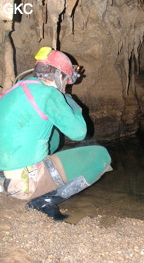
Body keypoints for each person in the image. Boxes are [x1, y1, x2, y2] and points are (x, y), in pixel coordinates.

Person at [0, 47, 112, 221]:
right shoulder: (49, 94)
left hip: (5, 175)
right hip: (23, 182)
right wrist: (71, 101)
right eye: (66, 80)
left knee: (55, 138)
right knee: (101, 156)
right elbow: (79, 133)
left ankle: (38, 181)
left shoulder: (15, 89)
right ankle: (43, 200)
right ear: (59, 76)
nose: (66, 84)